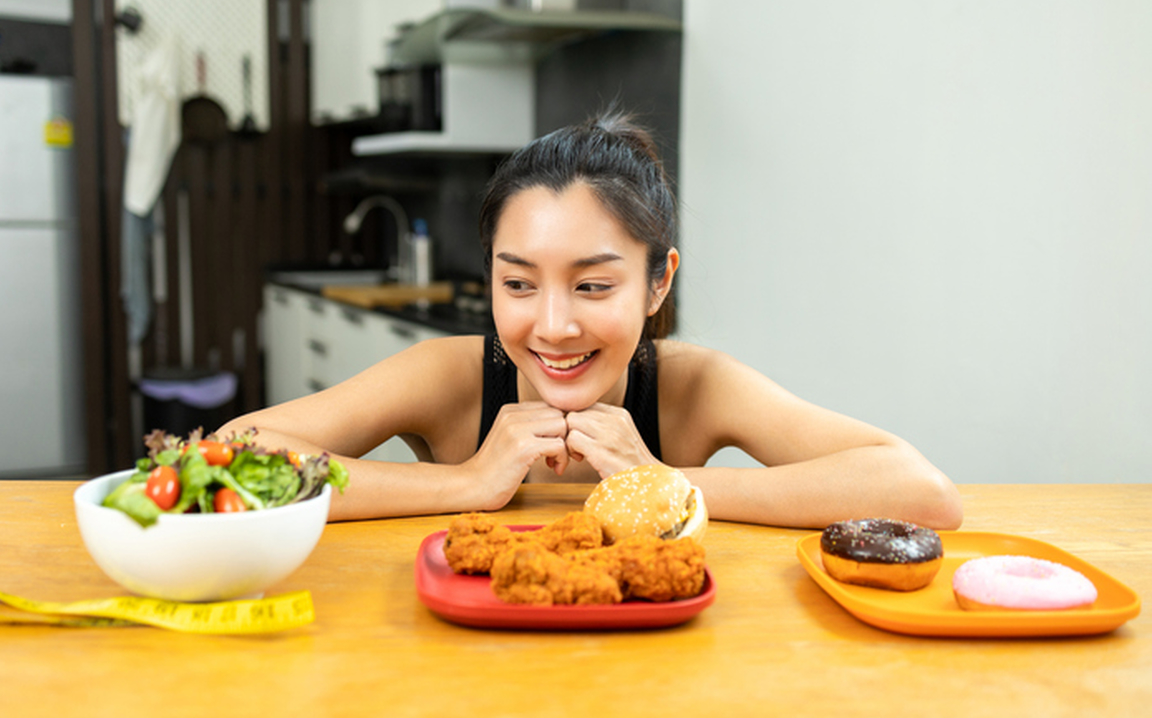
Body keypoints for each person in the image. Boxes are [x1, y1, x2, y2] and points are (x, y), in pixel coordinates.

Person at [219, 110, 962, 529]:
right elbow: (233, 451)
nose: (552, 325)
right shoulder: (448, 377)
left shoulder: (692, 386)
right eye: (518, 282)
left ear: (656, 282)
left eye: (594, 285)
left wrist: (665, 479)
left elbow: (920, 489)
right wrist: (467, 482)